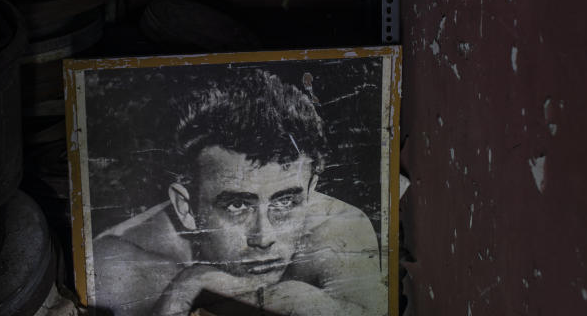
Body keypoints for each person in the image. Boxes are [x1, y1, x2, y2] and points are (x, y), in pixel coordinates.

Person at [92, 69, 387, 316]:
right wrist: (178, 295)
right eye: (236, 205)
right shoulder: (123, 265)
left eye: (285, 201)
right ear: (186, 207)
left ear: (310, 192)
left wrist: (294, 297)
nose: (264, 237)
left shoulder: (337, 231)